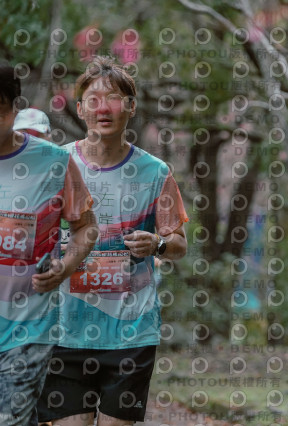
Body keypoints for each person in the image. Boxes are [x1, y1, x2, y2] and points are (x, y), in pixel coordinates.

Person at [37, 56, 189, 426]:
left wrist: (157, 243)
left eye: (114, 99)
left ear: (131, 107)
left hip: (130, 333)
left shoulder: (155, 172)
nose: (103, 108)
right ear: (80, 109)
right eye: (93, 100)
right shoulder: (56, 165)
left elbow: (179, 244)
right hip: (63, 331)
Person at [0, 65, 96, 425]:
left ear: (15, 107)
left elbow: (86, 227)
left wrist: (65, 268)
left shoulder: (53, 162)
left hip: (27, 328)